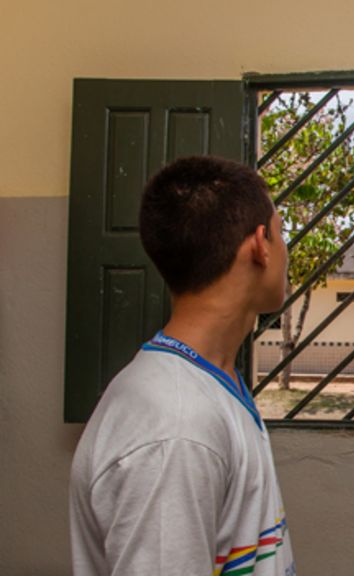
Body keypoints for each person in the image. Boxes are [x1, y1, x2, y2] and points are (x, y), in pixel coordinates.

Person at [69, 156, 297, 576]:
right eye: (282, 234)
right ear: (260, 245)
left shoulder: (210, 383)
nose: (286, 250)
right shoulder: (175, 429)